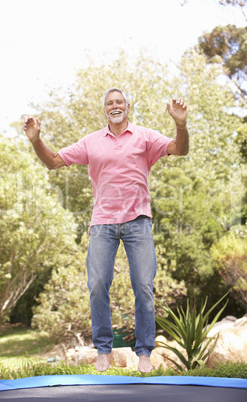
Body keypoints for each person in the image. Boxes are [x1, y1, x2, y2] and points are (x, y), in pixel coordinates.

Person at [24, 88, 189, 373]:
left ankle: (144, 351)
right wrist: (36, 140)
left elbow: (180, 149)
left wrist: (181, 124)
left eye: (119, 102)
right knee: (98, 284)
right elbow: (52, 162)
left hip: (138, 221)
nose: (115, 106)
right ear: (104, 110)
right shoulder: (91, 142)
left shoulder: (145, 137)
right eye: (109, 103)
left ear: (127, 106)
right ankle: (103, 348)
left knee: (143, 286)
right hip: (103, 222)